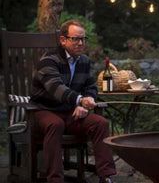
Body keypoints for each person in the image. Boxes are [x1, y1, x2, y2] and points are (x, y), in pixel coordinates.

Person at [30, 20, 116, 183]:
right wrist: (80, 100)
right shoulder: (48, 61)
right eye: (75, 39)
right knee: (55, 124)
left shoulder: (83, 61)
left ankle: (106, 176)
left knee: (100, 123)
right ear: (63, 40)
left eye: (83, 39)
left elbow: (91, 86)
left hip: (69, 113)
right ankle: (55, 180)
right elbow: (56, 88)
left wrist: (89, 98)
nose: (80, 43)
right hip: (43, 111)